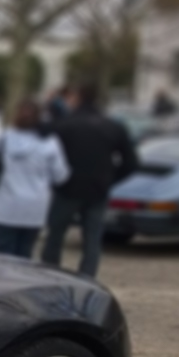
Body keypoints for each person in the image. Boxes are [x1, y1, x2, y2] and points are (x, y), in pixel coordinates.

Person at [41, 83, 138, 278]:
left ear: (77, 98)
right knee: (92, 240)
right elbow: (131, 162)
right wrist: (111, 178)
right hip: (98, 189)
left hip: (67, 188)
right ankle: (87, 279)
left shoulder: (64, 125)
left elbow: (47, 156)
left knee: (55, 235)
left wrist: (55, 179)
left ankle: (50, 276)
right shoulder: (113, 126)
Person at [0, 99, 71, 257]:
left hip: (5, 207)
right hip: (34, 209)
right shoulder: (50, 142)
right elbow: (61, 176)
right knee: (25, 255)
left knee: (2, 255)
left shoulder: (4, 138)